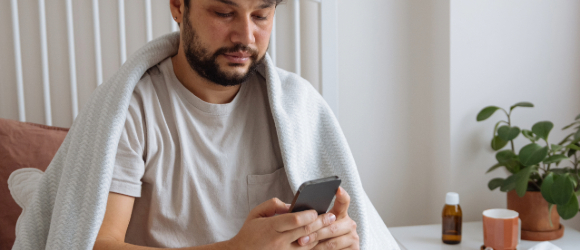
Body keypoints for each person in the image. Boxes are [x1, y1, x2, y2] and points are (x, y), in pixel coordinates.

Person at [93, 0, 360, 249]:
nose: (245, 36)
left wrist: (336, 236)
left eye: (260, 16)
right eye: (224, 13)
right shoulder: (130, 111)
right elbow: (97, 243)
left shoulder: (297, 106)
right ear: (177, 6)